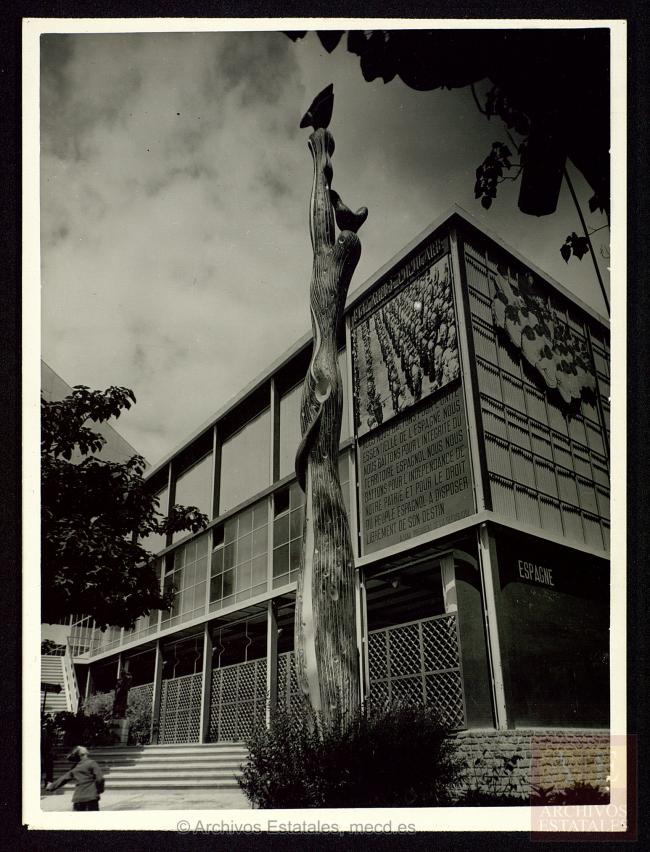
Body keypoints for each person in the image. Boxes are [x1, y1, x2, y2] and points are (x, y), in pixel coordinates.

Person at [46, 745, 105, 811]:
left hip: (78, 798)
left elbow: (64, 778)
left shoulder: (75, 767)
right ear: (83, 754)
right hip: (91, 798)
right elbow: (100, 779)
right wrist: (100, 790)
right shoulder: (92, 763)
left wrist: (51, 786)